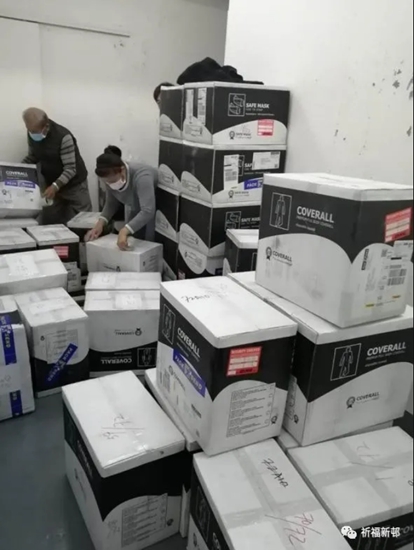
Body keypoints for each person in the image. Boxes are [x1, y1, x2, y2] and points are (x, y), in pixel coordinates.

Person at [22, 107, 92, 224]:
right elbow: (33, 157)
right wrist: (17, 170)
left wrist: (55, 186)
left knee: (82, 223)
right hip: (51, 185)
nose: (32, 134)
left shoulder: (63, 137)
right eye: (30, 130)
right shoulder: (32, 132)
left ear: (45, 126)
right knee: (49, 223)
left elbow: (70, 169)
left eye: (35, 131)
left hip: (74, 186)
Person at [86, 146, 157, 250]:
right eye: (107, 182)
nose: (110, 184)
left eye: (112, 181)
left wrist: (124, 230)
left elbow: (148, 210)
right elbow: (111, 203)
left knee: (149, 244)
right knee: (134, 243)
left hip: (155, 212)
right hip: (136, 209)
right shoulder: (110, 177)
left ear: (122, 170)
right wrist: (100, 224)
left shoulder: (142, 177)